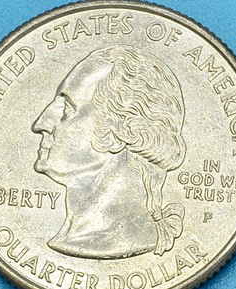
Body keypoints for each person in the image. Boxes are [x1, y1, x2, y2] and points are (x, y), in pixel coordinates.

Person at [32, 46, 186, 259]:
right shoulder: (75, 237)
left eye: (67, 108)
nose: (40, 124)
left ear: (122, 129)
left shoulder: (122, 240)